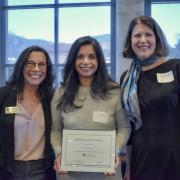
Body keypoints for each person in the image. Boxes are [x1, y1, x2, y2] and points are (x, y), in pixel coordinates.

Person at [50, 36, 130, 180]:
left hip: (107, 172)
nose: (86, 61)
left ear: (99, 61)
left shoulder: (114, 91)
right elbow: (55, 130)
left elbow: (124, 127)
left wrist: (114, 150)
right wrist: (59, 153)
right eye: (80, 57)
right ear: (73, 61)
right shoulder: (61, 93)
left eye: (92, 57)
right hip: (68, 173)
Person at [120, 15, 180, 180]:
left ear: (157, 39)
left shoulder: (176, 67)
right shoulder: (127, 79)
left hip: (174, 157)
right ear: (131, 41)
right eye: (137, 35)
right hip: (141, 159)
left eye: (148, 34)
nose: (143, 40)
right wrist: (129, 169)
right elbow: (130, 128)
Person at [0, 45, 56, 180]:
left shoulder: (51, 99)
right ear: (21, 66)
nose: (36, 69)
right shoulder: (3, 95)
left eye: (42, 64)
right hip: (7, 170)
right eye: (30, 63)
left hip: (42, 171)